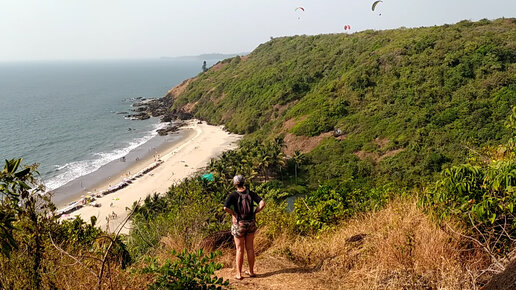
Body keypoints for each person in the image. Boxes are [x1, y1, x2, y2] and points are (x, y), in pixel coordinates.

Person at [224, 175, 265, 280]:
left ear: (234, 184)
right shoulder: (250, 193)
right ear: (244, 182)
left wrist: (234, 214)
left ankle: (239, 274)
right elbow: (262, 203)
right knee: (250, 248)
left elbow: (225, 207)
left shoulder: (233, 195)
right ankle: (251, 271)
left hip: (239, 224)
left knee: (239, 249)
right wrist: (256, 212)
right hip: (250, 223)